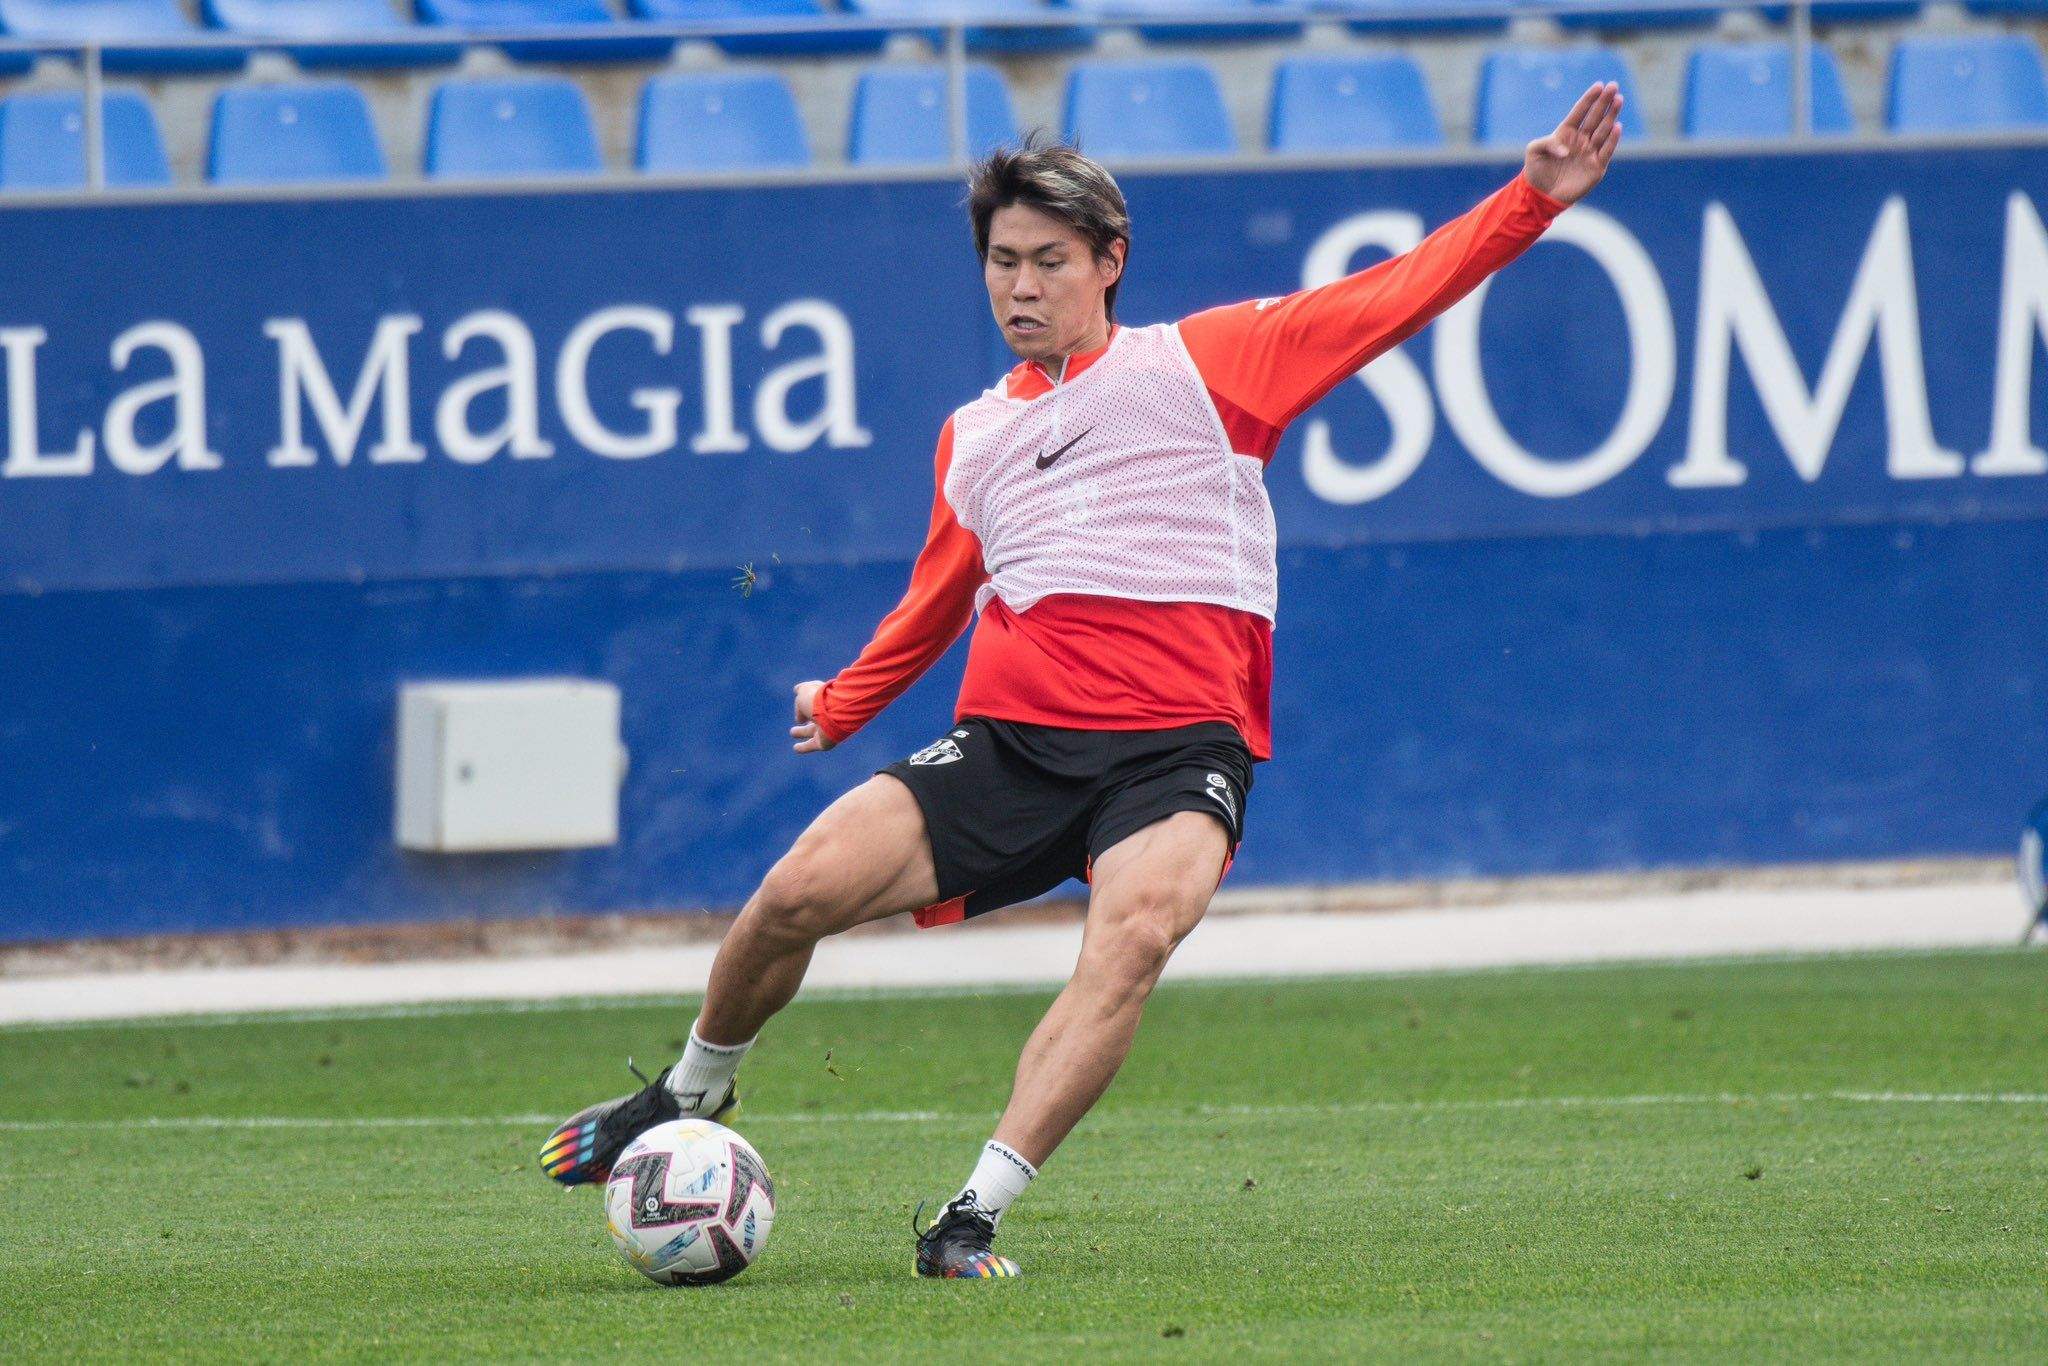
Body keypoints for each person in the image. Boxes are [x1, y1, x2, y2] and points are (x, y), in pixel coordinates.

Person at [541, 83, 1626, 1280]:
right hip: (1011, 747)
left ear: (1109, 261)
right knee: (794, 890)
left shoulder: (1209, 364)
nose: (1017, 286)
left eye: (1046, 261)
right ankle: (691, 1088)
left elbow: (1392, 296)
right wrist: (846, 699)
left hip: (1175, 754)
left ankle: (968, 1217)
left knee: (1132, 936)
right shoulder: (972, 433)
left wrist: (1532, 199)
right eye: (1000, 261)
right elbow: (939, 593)